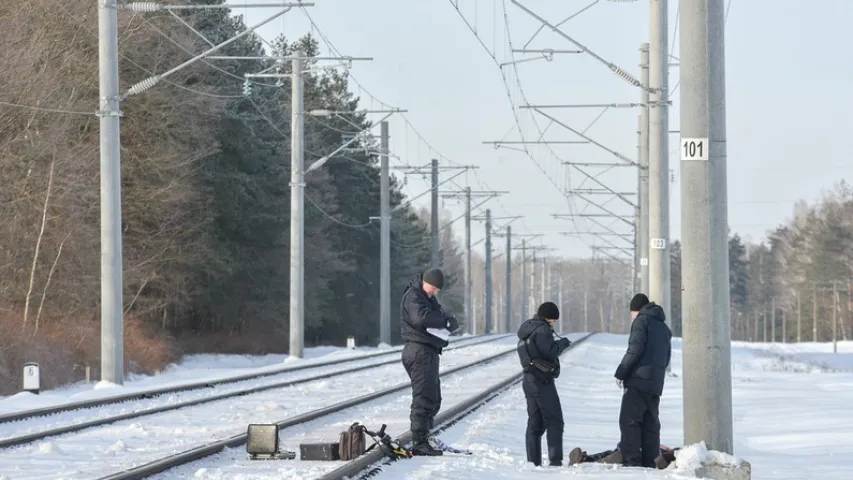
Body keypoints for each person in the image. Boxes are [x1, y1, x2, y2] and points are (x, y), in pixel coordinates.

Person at [399, 267, 459, 456]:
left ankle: (425, 435)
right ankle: (419, 441)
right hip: (419, 351)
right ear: (425, 281)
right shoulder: (414, 296)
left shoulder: (426, 297)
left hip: (427, 351)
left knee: (433, 398)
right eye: (433, 287)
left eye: (437, 290)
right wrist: (445, 322)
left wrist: (448, 321)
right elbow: (421, 318)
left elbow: (437, 315)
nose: (435, 291)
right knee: (423, 398)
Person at [614, 293, 673, 468]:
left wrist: (621, 373)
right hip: (655, 384)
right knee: (650, 424)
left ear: (636, 310)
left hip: (638, 381)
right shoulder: (663, 327)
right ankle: (650, 462)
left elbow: (634, 350)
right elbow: (666, 358)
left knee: (629, 421)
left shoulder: (641, 322)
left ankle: (631, 462)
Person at [516, 302, 572, 467]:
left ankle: (533, 462)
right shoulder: (543, 330)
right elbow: (550, 352)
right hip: (542, 382)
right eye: (554, 320)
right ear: (549, 318)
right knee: (555, 421)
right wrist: (563, 343)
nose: (554, 323)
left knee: (535, 423)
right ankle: (555, 461)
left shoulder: (528, 328)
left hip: (528, 380)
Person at [568, 443, 678, 469]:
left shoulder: (669, 457)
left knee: (613, 458)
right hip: (632, 448)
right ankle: (587, 458)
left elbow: (658, 463)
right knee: (611, 453)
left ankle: (585, 461)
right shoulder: (668, 452)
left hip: (632, 456)